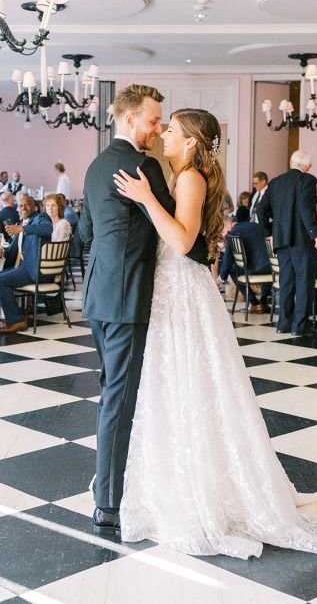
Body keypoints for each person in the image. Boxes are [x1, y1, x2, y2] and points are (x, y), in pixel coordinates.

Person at [112, 105, 317, 559]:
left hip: (183, 292)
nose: (164, 136)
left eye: (170, 130)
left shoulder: (189, 178)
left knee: (189, 385)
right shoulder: (183, 176)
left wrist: (146, 198)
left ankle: (201, 491)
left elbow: (182, 240)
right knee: (178, 386)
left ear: (190, 142)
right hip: (175, 288)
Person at [78, 85, 210, 541]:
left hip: (97, 295)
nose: (158, 129)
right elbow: (180, 235)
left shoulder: (95, 166)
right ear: (130, 119)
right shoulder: (144, 166)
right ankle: (108, 504)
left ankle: (117, 482)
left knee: (111, 391)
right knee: (119, 398)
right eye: (154, 121)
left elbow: (84, 232)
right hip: (128, 295)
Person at [255, 150, 317, 335]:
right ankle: (299, 326)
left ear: (290, 162)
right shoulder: (308, 180)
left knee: (286, 282)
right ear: (308, 167)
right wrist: (316, 234)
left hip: (281, 240)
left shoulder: (276, 182)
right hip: (302, 241)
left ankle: (283, 324)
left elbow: (261, 209)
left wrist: (269, 232)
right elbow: (305, 209)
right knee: (304, 282)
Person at [0, 194, 53, 333]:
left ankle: (16, 320)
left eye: (26, 204)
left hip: (34, 269)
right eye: (20, 206)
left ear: (35, 207)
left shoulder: (41, 218)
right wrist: (2, 250)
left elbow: (47, 229)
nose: (23, 207)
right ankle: (17, 314)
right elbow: (13, 250)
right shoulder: (21, 225)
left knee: (0, 282)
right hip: (21, 267)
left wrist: (23, 229)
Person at [219, 217, 271, 313]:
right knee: (263, 262)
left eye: (222, 232)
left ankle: (254, 303)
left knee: (232, 269)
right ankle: (263, 301)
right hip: (271, 267)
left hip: (256, 269)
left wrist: (221, 278)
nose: (223, 235)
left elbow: (227, 261)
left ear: (228, 225)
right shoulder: (254, 225)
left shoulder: (232, 233)